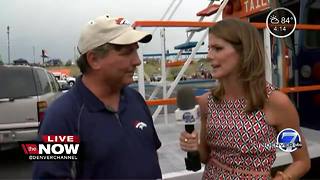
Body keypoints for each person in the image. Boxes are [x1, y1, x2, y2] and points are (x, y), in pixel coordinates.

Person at [33, 15, 162, 179]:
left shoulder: (136, 100)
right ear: (94, 59)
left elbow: (151, 157)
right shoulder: (58, 117)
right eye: (127, 52)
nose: (137, 61)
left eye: (136, 50)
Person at [179, 18, 310, 179]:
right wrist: (193, 147)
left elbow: (301, 161)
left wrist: (283, 178)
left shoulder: (275, 103)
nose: (209, 56)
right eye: (209, 48)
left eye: (217, 48)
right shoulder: (208, 102)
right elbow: (206, 156)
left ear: (244, 52)